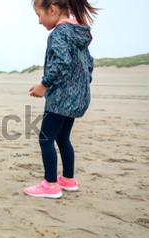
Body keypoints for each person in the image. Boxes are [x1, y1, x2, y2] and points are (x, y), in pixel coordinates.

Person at [24, 0, 99, 198]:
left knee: (45, 138)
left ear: (52, 9)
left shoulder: (59, 33)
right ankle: (67, 180)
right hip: (78, 97)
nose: (39, 22)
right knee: (62, 138)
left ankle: (50, 185)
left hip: (61, 98)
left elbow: (61, 62)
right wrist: (79, 85)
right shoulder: (79, 33)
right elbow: (89, 64)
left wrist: (44, 84)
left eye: (39, 15)